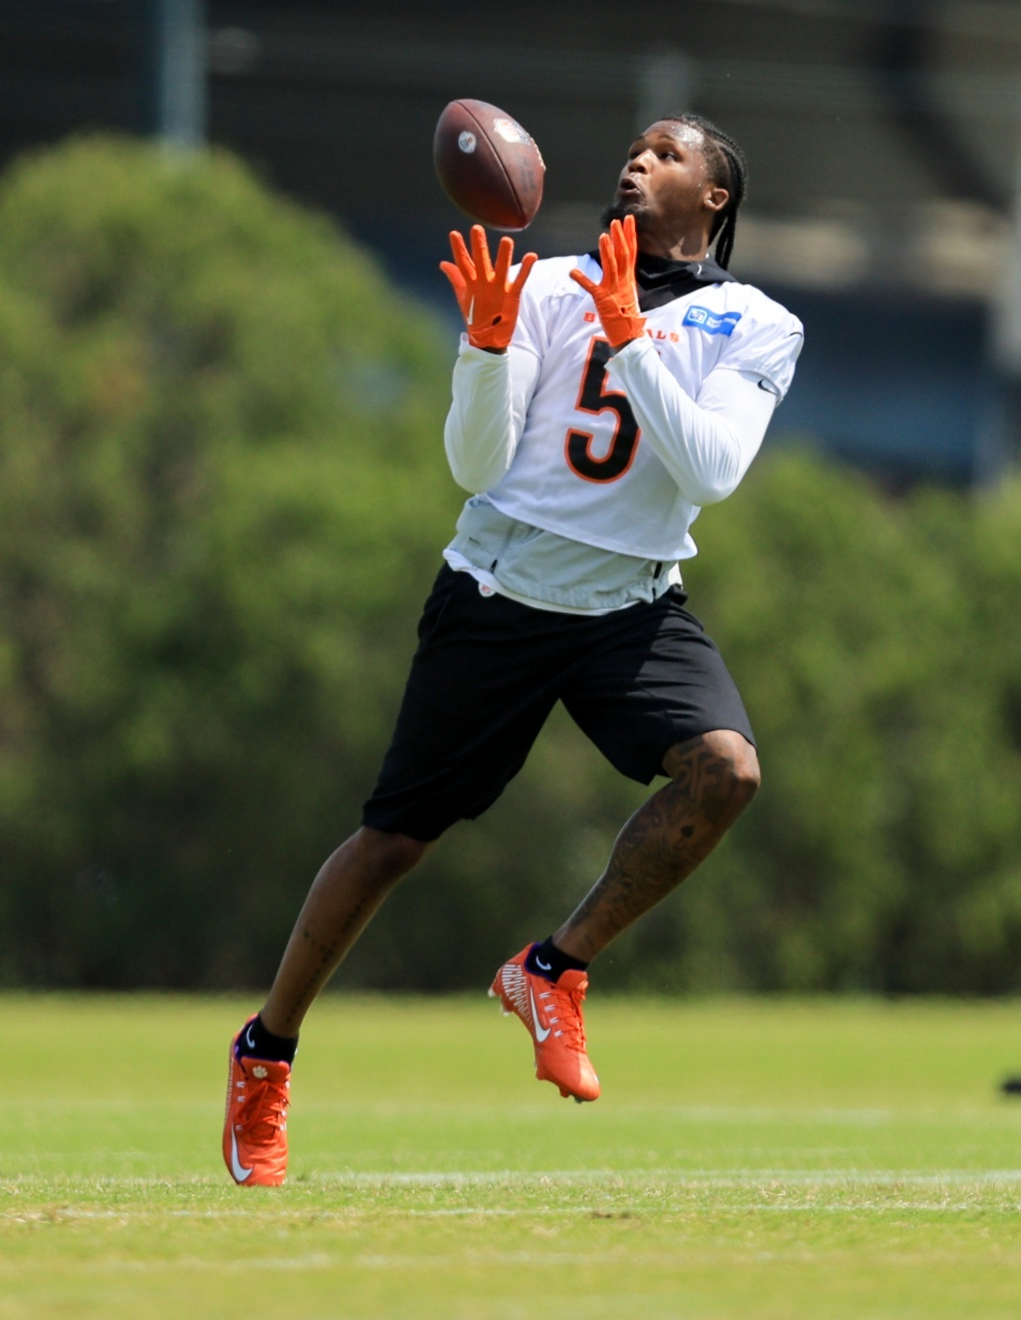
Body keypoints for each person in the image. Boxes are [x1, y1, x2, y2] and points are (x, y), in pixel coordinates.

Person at [222, 113, 804, 1186]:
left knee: (727, 770)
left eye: (668, 153)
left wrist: (631, 337)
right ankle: (265, 1056)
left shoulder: (756, 322)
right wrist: (483, 353)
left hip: (630, 607)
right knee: (392, 844)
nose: (638, 159)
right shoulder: (541, 285)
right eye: (634, 147)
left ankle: (554, 970)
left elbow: (712, 472)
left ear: (715, 197)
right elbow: (474, 463)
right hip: (500, 593)